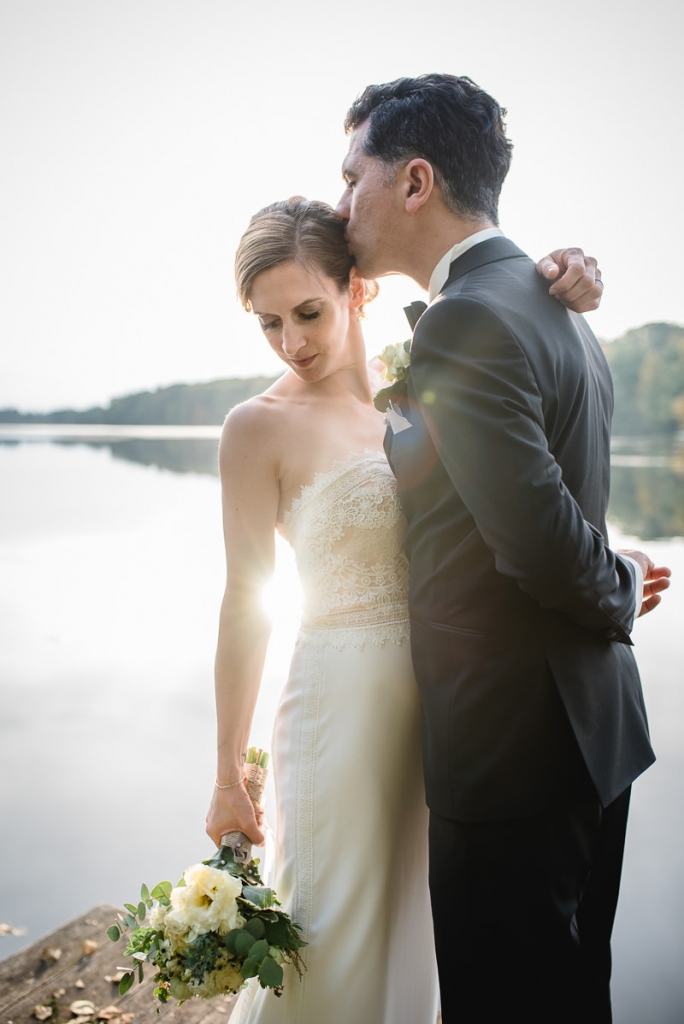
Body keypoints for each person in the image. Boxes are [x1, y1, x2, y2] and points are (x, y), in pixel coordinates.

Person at [205, 196, 609, 1024]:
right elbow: (245, 605)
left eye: (309, 312)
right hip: (334, 714)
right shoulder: (257, 428)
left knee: (417, 934)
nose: (293, 342)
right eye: (270, 324)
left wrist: (555, 276)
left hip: (444, 711)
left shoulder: (416, 391)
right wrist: (224, 775)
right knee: (325, 927)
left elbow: (510, 508)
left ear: (360, 291)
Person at [335, 74, 672, 1024]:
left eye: (349, 176)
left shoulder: (471, 318)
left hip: (510, 748)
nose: (339, 201)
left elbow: (540, 542)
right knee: (573, 995)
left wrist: (620, 578)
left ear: (415, 182)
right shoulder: (551, 297)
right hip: (588, 733)